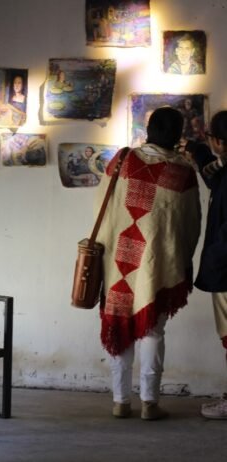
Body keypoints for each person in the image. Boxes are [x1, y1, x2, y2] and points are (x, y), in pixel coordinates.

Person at [94, 107, 201, 420]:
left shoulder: (122, 160)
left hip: (118, 259)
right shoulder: (182, 172)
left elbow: (102, 205)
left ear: (148, 129)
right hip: (156, 264)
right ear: (178, 134)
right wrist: (181, 259)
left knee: (119, 323)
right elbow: (190, 224)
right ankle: (150, 404)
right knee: (153, 332)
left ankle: (120, 401)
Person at [183, 111, 227, 419]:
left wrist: (213, 261)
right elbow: (213, 176)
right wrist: (198, 150)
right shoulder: (222, 169)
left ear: (219, 142)